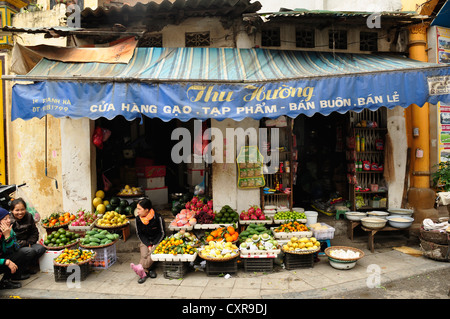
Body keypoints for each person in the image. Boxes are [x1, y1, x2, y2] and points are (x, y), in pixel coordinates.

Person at [10, 198, 46, 275]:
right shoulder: (9, 220)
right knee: (30, 251)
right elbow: (11, 238)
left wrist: (29, 242)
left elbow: (34, 232)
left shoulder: (29, 216)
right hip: (15, 246)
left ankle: (26, 267)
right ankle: (19, 271)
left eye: (22, 209)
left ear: (25, 209)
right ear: (12, 210)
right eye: (17, 210)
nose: (20, 212)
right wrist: (25, 244)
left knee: (41, 248)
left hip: (28, 243)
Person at [133, 198, 165, 283]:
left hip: (158, 241)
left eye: (139, 209)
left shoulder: (158, 218)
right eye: (137, 209)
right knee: (144, 255)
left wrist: (154, 244)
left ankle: (142, 270)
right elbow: (140, 234)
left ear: (146, 210)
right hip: (145, 241)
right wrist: (148, 245)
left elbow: (162, 233)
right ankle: (148, 271)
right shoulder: (137, 219)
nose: (137, 211)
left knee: (151, 254)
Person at [0, 207, 31, 289]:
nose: (9, 220)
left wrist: (7, 237)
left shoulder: (9, 230)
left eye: (9, 218)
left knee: (20, 254)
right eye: (5, 219)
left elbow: (15, 248)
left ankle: (5, 281)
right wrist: (6, 261)